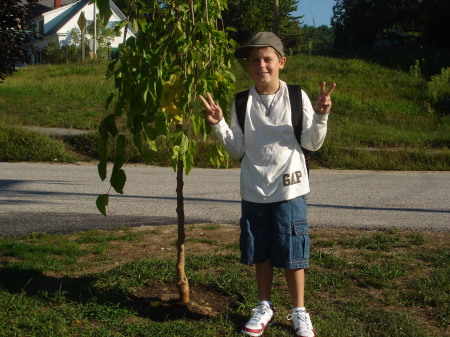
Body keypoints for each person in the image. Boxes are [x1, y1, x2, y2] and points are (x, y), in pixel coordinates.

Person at [198, 32, 336, 337]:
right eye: (254, 60)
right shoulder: (241, 101)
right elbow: (237, 149)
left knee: (292, 251)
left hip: (290, 189)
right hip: (254, 190)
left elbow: (312, 143)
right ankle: (264, 306)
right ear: (248, 66)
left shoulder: (297, 96)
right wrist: (218, 124)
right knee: (260, 252)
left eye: (267, 59)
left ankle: (299, 311)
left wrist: (322, 115)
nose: (262, 65)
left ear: (281, 62)